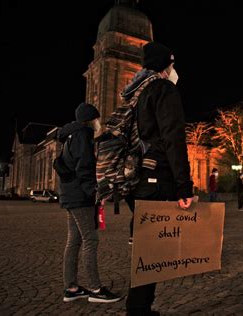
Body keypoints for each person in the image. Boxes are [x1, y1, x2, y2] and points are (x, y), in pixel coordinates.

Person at [124, 42, 194, 315]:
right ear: (165, 66)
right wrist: (183, 186)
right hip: (157, 178)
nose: (174, 70)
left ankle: (139, 307)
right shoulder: (163, 89)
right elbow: (173, 139)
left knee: (146, 248)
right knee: (151, 250)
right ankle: (138, 309)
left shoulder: (136, 93)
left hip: (139, 179)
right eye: (172, 65)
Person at [58, 103, 122, 303]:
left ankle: (72, 288)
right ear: (91, 120)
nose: (98, 123)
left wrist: (107, 137)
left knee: (74, 241)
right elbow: (84, 167)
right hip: (80, 197)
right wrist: (95, 192)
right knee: (90, 239)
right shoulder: (83, 136)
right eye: (97, 119)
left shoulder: (71, 135)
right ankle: (95, 289)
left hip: (70, 195)